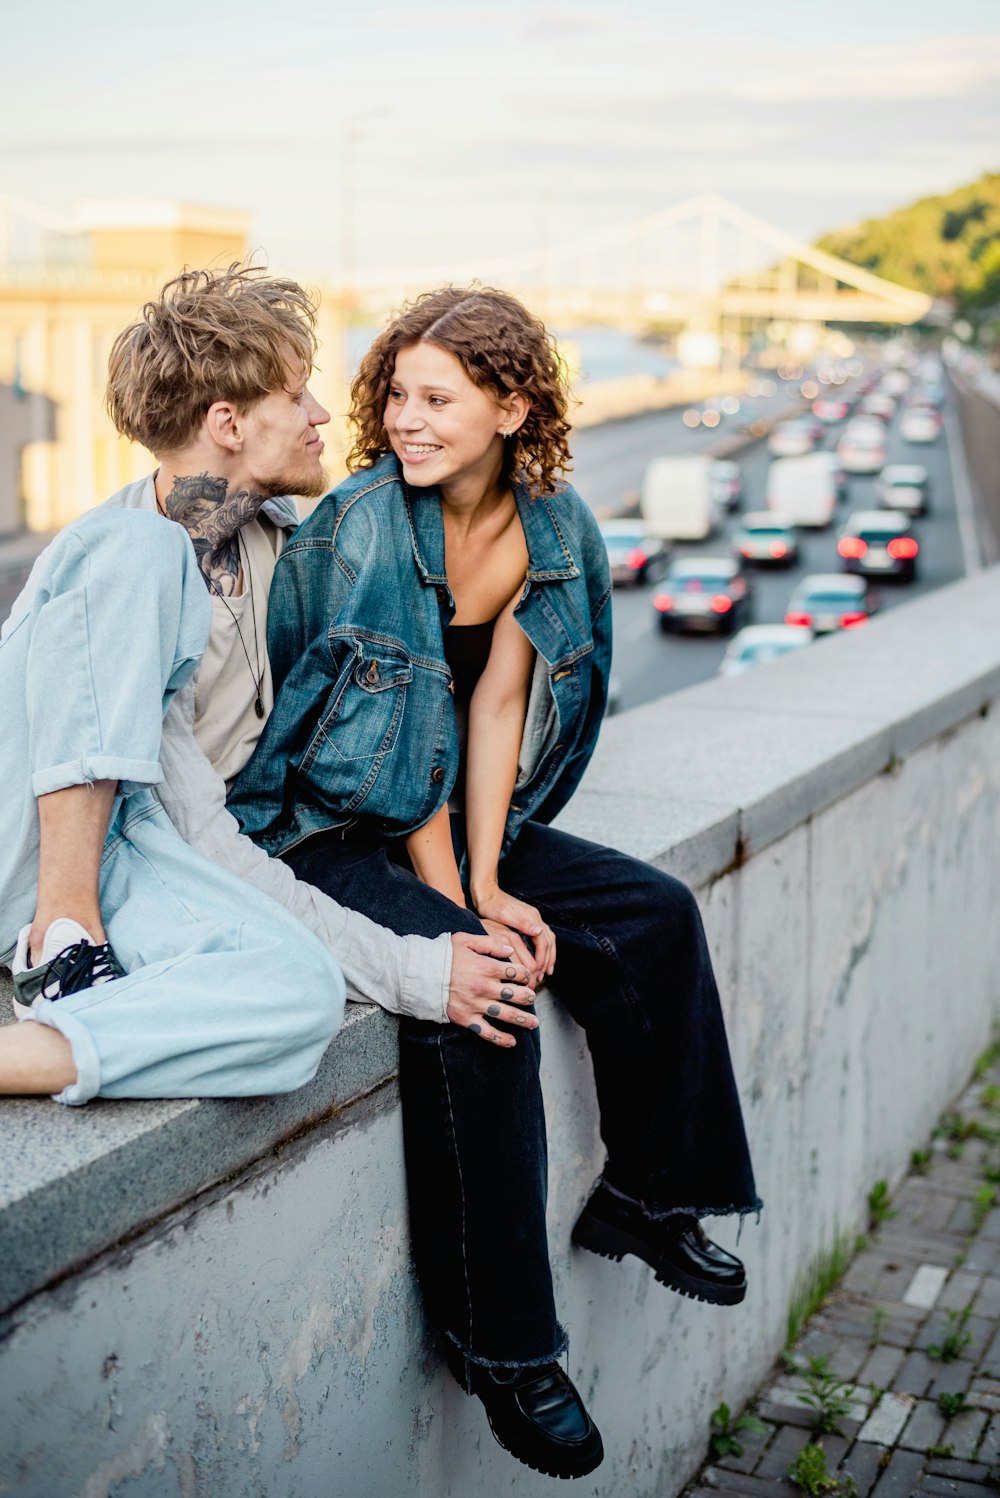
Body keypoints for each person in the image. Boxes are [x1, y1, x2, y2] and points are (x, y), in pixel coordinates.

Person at [229, 286, 763, 1480]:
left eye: (437, 399)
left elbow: (492, 704)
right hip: (323, 820)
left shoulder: (554, 525)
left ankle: (650, 1194)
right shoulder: (365, 527)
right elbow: (389, 735)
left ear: (512, 406)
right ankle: (505, 1341)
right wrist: (469, 905)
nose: (404, 422)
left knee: (651, 915)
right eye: (395, 397)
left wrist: (489, 867)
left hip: (443, 806)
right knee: (480, 993)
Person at [0, 267, 531, 1104]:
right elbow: (185, 821)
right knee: (142, 547)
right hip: (55, 868)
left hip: (149, 865)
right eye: (296, 394)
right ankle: (59, 943)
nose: (322, 414)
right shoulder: (125, 554)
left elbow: (213, 835)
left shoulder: (289, 546)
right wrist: (414, 969)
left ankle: (24, 1055)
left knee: (303, 993)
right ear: (229, 424)